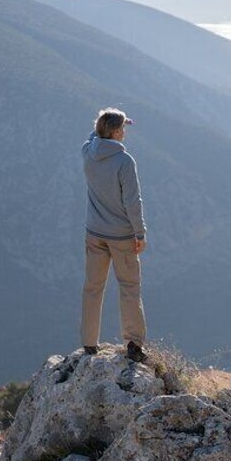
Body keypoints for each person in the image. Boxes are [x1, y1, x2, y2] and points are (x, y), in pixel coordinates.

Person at [80, 108, 148, 362]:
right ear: (117, 132)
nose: (126, 132)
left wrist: (102, 126)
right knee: (129, 288)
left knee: (92, 287)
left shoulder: (87, 153)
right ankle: (133, 343)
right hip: (121, 236)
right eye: (123, 128)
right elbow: (133, 201)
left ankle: (89, 343)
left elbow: (92, 137)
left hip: (94, 232)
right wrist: (140, 232)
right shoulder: (124, 162)